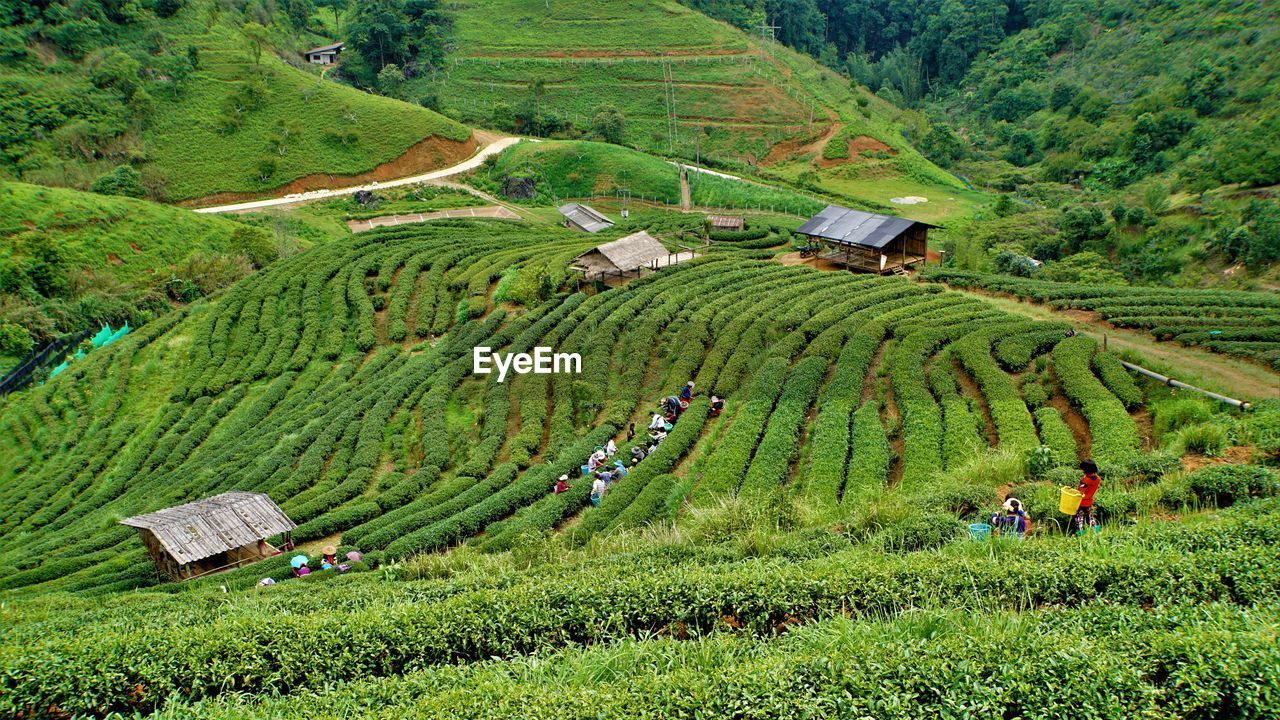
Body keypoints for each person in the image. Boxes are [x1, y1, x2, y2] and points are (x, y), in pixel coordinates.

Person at [1074, 459, 1101, 535]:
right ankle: (1097, 532)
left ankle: (1080, 534)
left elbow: (1080, 491)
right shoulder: (1097, 478)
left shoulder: (1086, 480)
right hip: (1089, 501)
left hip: (1081, 502)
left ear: (1086, 469)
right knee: (1091, 517)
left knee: (1079, 519)